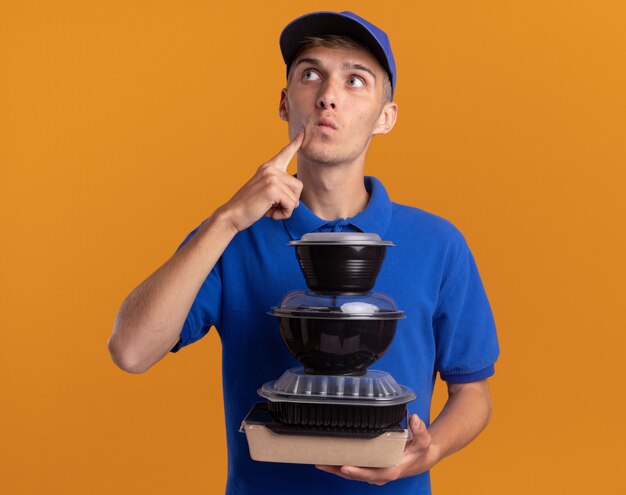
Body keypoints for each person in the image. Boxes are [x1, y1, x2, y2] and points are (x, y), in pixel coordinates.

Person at [108, 11, 500, 495]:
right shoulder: (234, 235)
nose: (328, 95)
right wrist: (228, 217)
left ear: (386, 116)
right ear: (284, 101)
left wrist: (431, 449)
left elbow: (472, 391)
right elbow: (129, 351)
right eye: (310, 74)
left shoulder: (439, 243)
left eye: (356, 80)